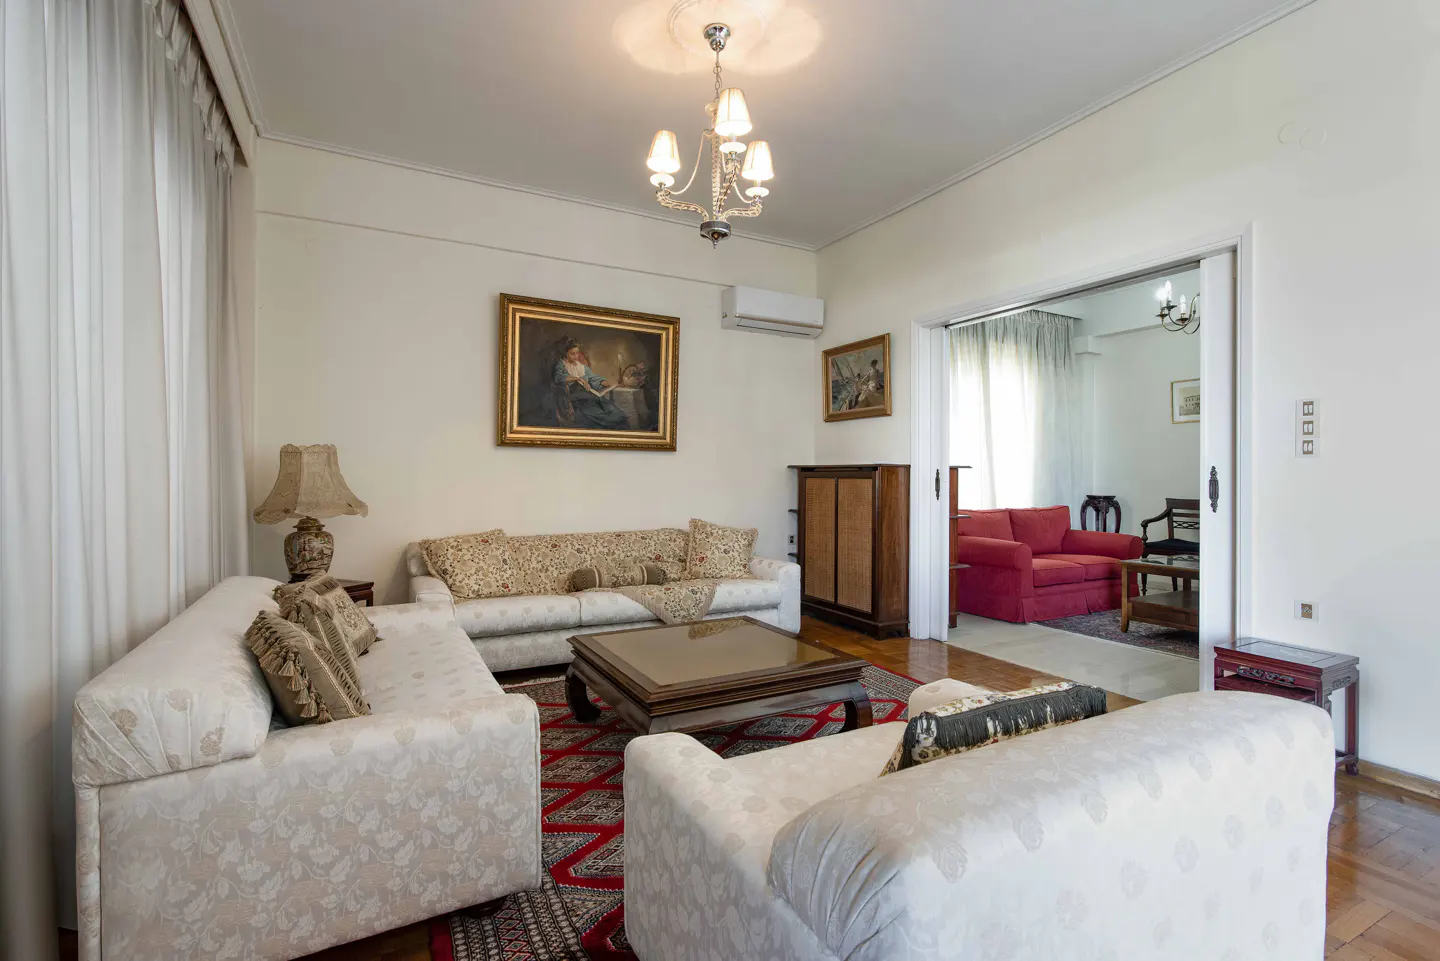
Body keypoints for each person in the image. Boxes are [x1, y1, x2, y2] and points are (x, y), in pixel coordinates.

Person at [552, 339, 631, 429]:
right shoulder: (561, 365)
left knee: (606, 404)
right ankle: (610, 423)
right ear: (566, 353)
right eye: (572, 354)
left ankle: (619, 420)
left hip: (588, 394)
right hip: (575, 397)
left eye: (577, 353)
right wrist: (578, 379)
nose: (576, 356)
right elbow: (558, 378)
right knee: (596, 410)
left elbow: (595, 379)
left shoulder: (582, 367)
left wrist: (609, 384)